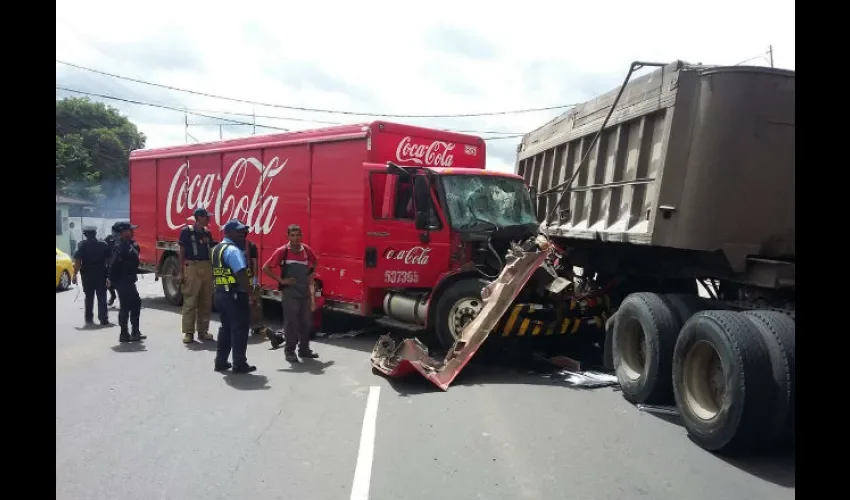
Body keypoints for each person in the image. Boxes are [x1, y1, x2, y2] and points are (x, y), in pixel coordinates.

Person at [262, 224, 319, 363]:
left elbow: (315, 261)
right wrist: (282, 280)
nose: (296, 238)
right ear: (288, 237)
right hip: (290, 294)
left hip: (304, 292)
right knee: (291, 324)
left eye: (298, 235)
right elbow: (265, 268)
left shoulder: (306, 250)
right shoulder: (283, 251)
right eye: (292, 235)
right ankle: (289, 351)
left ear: (301, 236)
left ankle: (304, 350)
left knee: (306, 323)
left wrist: (312, 274)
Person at [211, 219, 257, 373]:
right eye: (239, 231)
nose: (242, 234)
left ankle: (220, 361)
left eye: (244, 231)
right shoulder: (233, 250)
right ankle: (239, 363)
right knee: (240, 329)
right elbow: (241, 274)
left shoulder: (217, 248)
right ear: (229, 232)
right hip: (235, 295)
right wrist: (251, 293)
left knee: (226, 328)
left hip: (221, 293)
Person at [178, 207, 215, 344]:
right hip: (192, 266)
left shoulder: (207, 233)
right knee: (190, 300)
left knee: (206, 301)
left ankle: (203, 331)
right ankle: (188, 332)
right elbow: (181, 250)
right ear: (199, 217)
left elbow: (211, 250)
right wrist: (182, 271)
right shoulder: (186, 231)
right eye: (206, 216)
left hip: (206, 266)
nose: (209, 219)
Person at [110, 222, 145, 343]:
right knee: (127, 306)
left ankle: (135, 331)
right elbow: (114, 265)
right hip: (122, 280)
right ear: (122, 232)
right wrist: (111, 280)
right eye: (130, 230)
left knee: (135, 304)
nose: (132, 231)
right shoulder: (120, 246)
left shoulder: (129, 243)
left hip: (129, 280)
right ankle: (124, 333)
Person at [72, 226, 111, 327]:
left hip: (87, 276)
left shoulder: (82, 245)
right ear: (95, 233)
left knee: (89, 297)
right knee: (102, 297)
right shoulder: (103, 244)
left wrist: (74, 274)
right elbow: (109, 261)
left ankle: (89, 318)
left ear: (85, 235)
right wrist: (109, 275)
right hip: (101, 275)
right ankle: (103, 319)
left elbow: (78, 261)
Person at [239, 227, 273, 338]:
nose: (244, 233)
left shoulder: (251, 246)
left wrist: (255, 280)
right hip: (236, 280)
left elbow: (255, 263)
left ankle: (257, 327)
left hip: (248, 278)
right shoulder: (231, 247)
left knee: (255, 303)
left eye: (245, 231)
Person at [104, 223, 120, 306]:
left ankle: (123, 302)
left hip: (119, 265)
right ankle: (113, 296)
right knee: (108, 283)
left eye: (115, 232)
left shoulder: (121, 239)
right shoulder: (108, 238)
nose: (114, 233)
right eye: (113, 231)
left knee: (120, 283)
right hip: (109, 264)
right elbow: (103, 246)